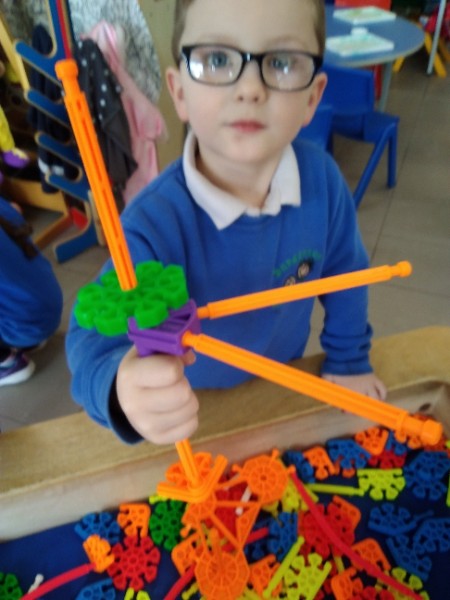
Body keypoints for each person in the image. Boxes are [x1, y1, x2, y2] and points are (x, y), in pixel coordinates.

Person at [66, 0, 387, 445]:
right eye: (217, 59)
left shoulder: (324, 183)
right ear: (179, 92)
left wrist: (349, 361)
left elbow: (347, 276)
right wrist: (121, 388)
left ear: (312, 98)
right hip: (194, 417)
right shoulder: (153, 224)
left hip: (280, 391)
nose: (250, 88)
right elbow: (88, 339)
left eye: (281, 62)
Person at [0, 196, 63, 386]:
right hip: (49, 308)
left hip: (24, 325)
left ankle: (6, 361)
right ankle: (27, 341)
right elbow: (15, 208)